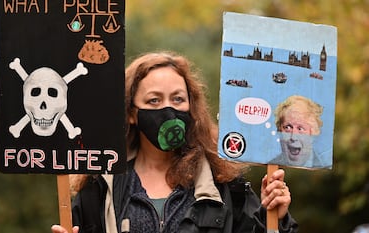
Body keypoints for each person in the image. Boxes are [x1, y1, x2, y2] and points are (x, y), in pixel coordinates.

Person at [51, 51, 298, 233]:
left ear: (192, 107)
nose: (168, 110)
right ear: (131, 113)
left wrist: (276, 218)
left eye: (178, 99)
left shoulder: (224, 185)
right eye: (154, 101)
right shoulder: (99, 186)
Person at [269, 95, 326, 168]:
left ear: (312, 133)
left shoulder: (325, 171)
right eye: (288, 127)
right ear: (279, 131)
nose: (293, 137)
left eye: (300, 129)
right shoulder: (268, 168)